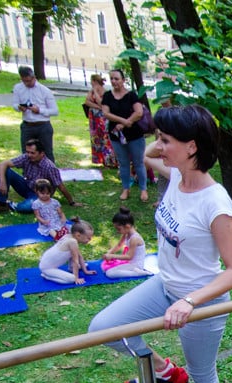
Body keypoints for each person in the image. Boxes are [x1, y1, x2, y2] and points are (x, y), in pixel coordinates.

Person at [88, 104, 232, 383]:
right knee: (103, 329)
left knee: (203, 372)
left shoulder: (216, 203)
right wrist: (161, 143)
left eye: (166, 139)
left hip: (203, 301)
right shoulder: (176, 176)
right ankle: (165, 372)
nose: (158, 144)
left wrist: (190, 301)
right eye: (159, 137)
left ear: (192, 147)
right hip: (164, 284)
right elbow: (145, 155)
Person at [0, 139, 79, 214]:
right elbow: (3, 164)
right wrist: (2, 182)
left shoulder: (50, 167)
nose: (29, 155)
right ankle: (1, 203)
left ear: (42, 154)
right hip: (26, 186)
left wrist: (72, 202)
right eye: (27, 152)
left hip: (40, 194)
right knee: (6, 170)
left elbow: (61, 186)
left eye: (32, 153)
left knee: (26, 207)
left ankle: (8, 205)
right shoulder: (26, 157)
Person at [101, 69, 148, 202]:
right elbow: (106, 113)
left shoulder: (132, 95)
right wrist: (123, 121)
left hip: (135, 135)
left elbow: (139, 112)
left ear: (123, 80)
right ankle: (125, 188)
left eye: (117, 78)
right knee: (123, 163)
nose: (114, 81)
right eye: (112, 79)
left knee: (138, 162)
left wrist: (127, 123)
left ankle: (143, 189)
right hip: (116, 135)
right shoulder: (108, 96)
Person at [13, 66, 59, 162]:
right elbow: (15, 104)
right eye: (24, 81)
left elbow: (54, 111)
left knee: (47, 152)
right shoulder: (18, 88)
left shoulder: (44, 90)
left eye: (29, 81)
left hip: (43, 125)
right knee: (27, 154)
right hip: (27, 125)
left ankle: (50, 175)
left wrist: (39, 110)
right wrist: (19, 107)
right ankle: (28, 175)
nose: (27, 83)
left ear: (34, 77)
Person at [38, 218, 95, 285]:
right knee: (71, 279)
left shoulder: (69, 236)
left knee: (75, 258)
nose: (90, 239)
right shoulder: (72, 242)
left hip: (45, 263)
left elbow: (79, 256)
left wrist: (86, 271)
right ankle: (47, 276)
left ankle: (71, 269)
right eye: (88, 238)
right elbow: (75, 261)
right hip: (47, 268)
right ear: (78, 235)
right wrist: (76, 278)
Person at [102, 207, 151, 279]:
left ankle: (138, 273)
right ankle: (134, 271)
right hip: (128, 262)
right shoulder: (126, 233)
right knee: (105, 269)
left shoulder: (134, 239)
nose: (117, 231)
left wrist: (112, 256)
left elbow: (129, 256)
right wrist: (109, 253)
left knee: (110, 273)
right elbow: (119, 245)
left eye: (118, 229)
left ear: (127, 226)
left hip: (135, 265)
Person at [83, 74, 117, 168]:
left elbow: (101, 102)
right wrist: (97, 107)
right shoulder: (92, 90)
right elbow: (87, 101)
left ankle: (109, 160)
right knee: (96, 138)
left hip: (102, 117)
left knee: (104, 137)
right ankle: (100, 159)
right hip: (94, 117)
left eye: (91, 81)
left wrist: (95, 92)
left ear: (94, 80)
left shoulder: (103, 91)